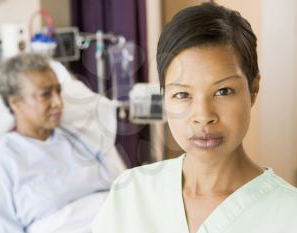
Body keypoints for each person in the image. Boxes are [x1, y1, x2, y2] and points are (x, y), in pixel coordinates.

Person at [92, 3, 297, 233]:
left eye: (223, 91)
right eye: (182, 94)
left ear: (253, 89)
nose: (203, 116)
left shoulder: (289, 215)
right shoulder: (130, 193)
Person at [0, 53, 118, 233]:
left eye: (58, 91)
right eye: (45, 95)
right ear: (15, 103)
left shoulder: (76, 139)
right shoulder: (0, 165)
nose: (58, 102)